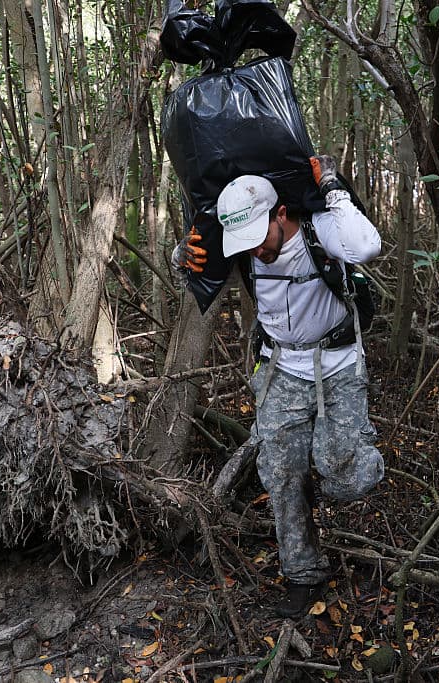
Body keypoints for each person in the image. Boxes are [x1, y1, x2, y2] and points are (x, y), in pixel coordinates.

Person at [174, 156, 385, 617]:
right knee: (282, 473)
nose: (255, 252)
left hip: (338, 364)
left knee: (341, 471)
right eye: (244, 244)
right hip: (280, 370)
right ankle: (303, 573)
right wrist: (183, 257)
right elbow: (196, 272)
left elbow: (367, 246)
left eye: (260, 238)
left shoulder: (319, 230)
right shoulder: (248, 251)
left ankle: (358, 459)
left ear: (282, 214)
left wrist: (332, 186)